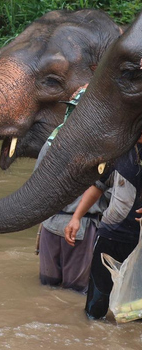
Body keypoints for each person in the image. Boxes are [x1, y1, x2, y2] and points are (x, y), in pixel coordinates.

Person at [34, 87, 106, 293]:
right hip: (77, 225)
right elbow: (108, 192)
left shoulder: (52, 142)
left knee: (49, 288)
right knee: (72, 292)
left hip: (56, 223)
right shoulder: (102, 148)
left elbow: (36, 188)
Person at [65, 134, 142, 319]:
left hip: (140, 241)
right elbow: (97, 187)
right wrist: (76, 217)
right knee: (96, 305)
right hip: (112, 235)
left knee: (135, 311)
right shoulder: (119, 150)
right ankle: (94, 340)